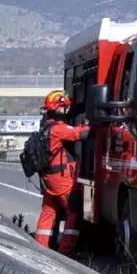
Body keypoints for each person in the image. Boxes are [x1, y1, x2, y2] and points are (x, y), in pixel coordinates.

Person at [34, 89, 90, 254]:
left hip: (48, 178)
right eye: (64, 107)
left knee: (48, 212)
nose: (67, 110)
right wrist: (90, 123)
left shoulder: (45, 126)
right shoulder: (58, 129)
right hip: (61, 179)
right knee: (73, 211)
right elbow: (80, 133)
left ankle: (40, 248)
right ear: (59, 108)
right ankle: (66, 251)